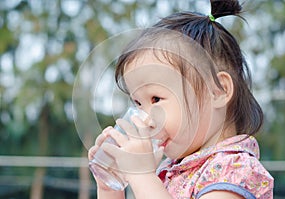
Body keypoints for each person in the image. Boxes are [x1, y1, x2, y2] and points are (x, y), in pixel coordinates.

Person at [88, 0, 274, 198]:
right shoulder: (170, 171)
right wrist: (111, 188)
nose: (146, 119)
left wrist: (142, 175)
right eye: (138, 104)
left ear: (217, 91)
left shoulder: (235, 172)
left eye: (156, 99)